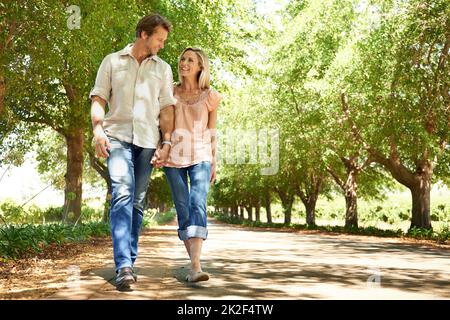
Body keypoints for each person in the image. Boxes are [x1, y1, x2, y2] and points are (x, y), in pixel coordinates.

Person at [89, 14, 176, 290]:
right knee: (123, 194)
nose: (162, 45)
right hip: (117, 137)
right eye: (159, 40)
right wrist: (98, 131)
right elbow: (99, 98)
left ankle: (129, 260)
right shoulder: (112, 61)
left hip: (148, 140)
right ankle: (123, 264)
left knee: (137, 201)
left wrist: (167, 142)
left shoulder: (163, 69)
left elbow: (166, 109)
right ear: (144, 34)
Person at [152, 47, 221, 282]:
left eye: (190, 60)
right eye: (183, 59)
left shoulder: (211, 95)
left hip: (201, 155)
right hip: (173, 157)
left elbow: (212, 131)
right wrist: (159, 148)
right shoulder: (169, 92)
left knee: (197, 202)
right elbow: (161, 123)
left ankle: (195, 266)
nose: (184, 63)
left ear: (201, 67)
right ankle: (193, 265)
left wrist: (214, 161)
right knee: (182, 207)